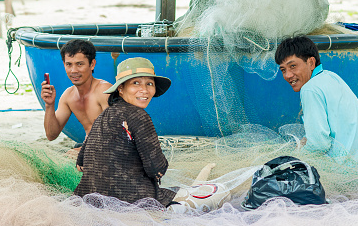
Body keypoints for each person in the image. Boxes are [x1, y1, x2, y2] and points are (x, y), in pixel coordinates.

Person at [74, 57, 230, 212]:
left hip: (90, 200)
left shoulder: (104, 115)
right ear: (120, 89)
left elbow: (80, 163)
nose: (144, 90)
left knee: (175, 189)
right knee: (222, 191)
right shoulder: (139, 116)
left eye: (149, 84)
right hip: (133, 202)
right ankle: (173, 210)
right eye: (136, 83)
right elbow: (156, 169)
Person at [275, 35, 358, 169]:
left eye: (293, 66)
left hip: (346, 173)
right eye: (283, 70)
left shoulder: (310, 89)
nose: (287, 75)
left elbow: (319, 144)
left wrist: (293, 160)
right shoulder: (331, 76)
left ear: (311, 62)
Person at [41, 39, 112, 142]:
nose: (73, 70)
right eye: (69, 64)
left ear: (92, 64)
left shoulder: (104, 90)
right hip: (89, 147)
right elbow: (51, 135)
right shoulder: (68, 96)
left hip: (109, 150)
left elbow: (116, 134)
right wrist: (49, 105)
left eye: (79, 64)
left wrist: (83, 151)